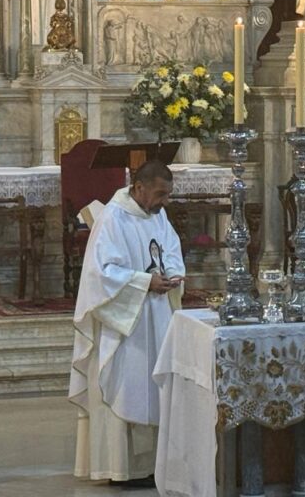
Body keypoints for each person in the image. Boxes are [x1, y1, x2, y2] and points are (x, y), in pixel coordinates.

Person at [69, 160, 185, 488]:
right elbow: (100, 274)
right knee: (124, 385)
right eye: (160, 194)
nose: (165, 201)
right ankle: (120, 469)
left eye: (168, 195)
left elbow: (172, 252)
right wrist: (144, 283)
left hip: (157, 315)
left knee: (155, 388)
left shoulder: (158, 215)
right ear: (138, 188)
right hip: (123, 323)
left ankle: (153, 467)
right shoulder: (112, 218)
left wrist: (175, 275)